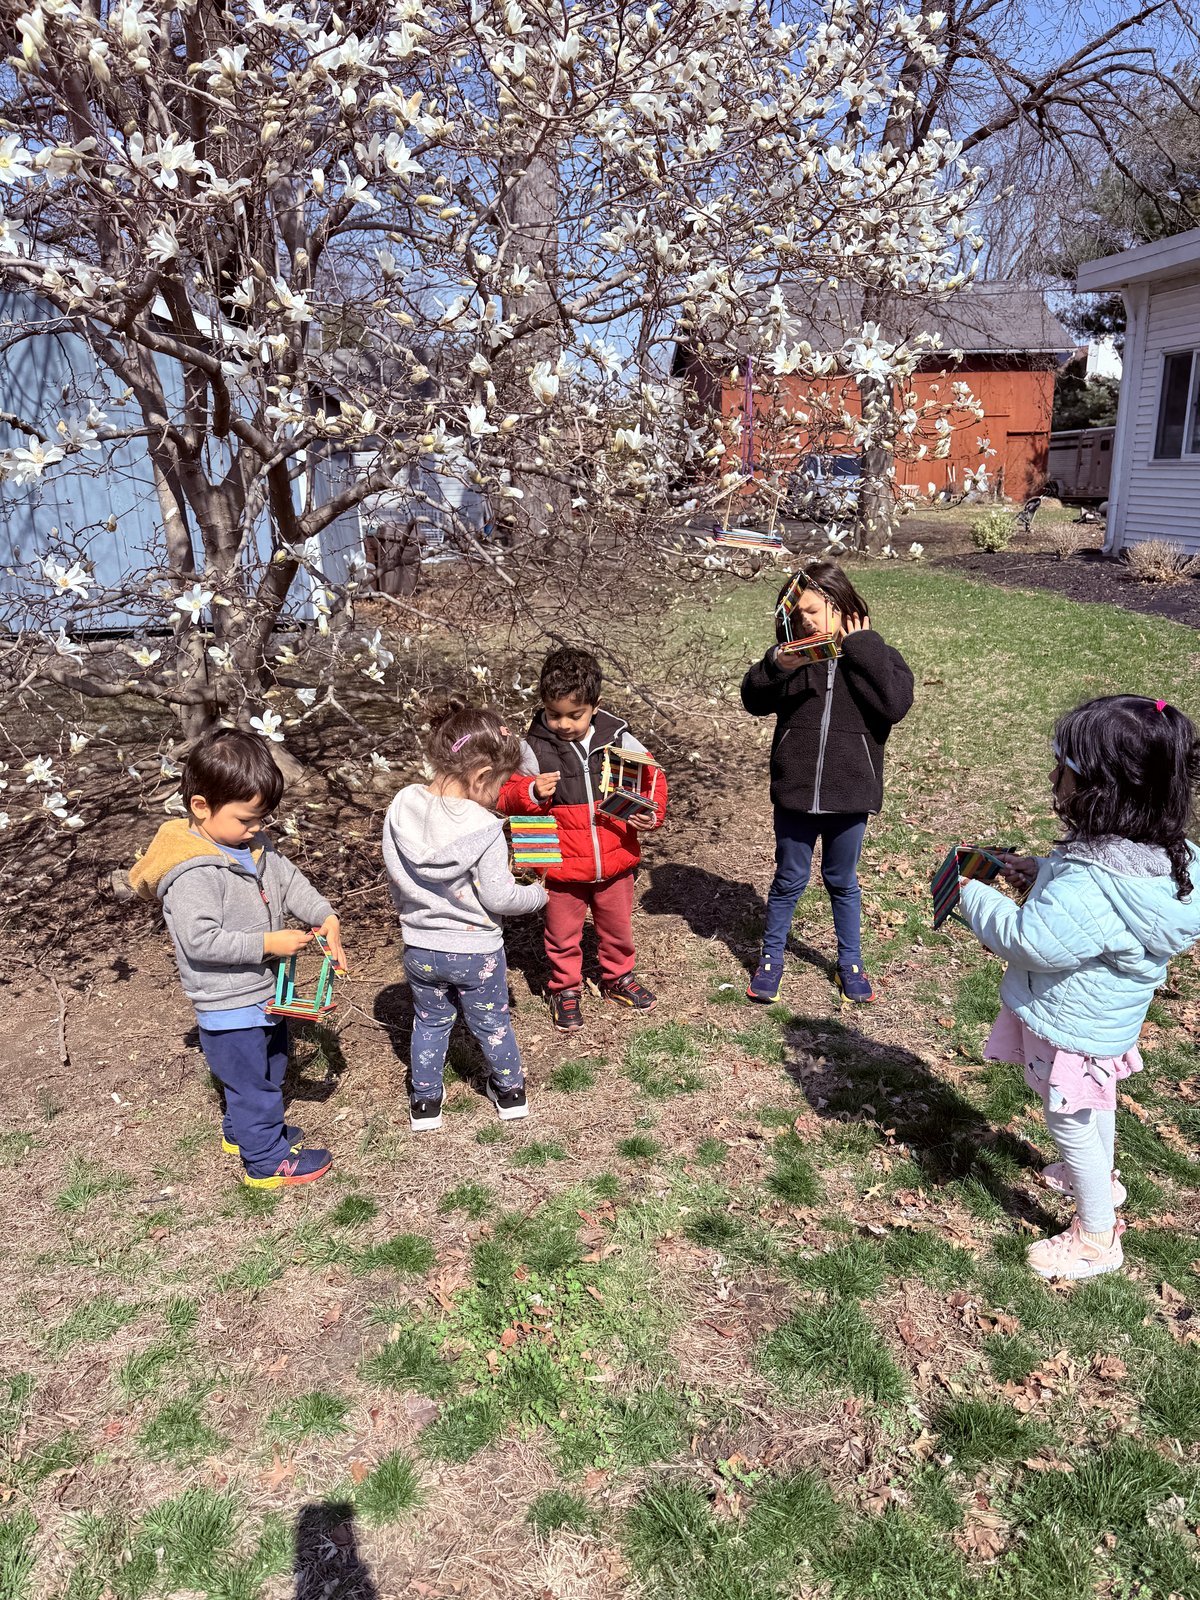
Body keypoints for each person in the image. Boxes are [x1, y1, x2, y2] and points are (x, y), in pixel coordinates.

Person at [959, 694, 1200, 1282]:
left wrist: (970, 894)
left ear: (1103, 789)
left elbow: (1032, 940)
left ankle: (1095, 1237)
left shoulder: (1093, 879)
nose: (1052, 778)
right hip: (1105, 1022)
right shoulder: (1166, 854)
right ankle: (1099, 1179)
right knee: (1094, 1102)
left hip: (1071, 1027)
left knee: (1068, 1118)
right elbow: (1093, 906)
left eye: (1063, 767)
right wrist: (1042, 871)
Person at [130, 729, 346, 1188]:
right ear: (201, 806)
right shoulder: (192, 873)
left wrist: (324, 915)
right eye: (247, 819)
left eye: (261, 819)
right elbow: (200, 941)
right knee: (252, 1083)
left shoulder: (253, 845)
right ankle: (266, 1161)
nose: (256, 828)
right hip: (227, 1003)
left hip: (263, 991)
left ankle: (244, 1132)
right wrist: (267, 944)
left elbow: (290, 882)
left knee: (269, 1065)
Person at [740, 561, 913, 1004]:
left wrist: (863, 647)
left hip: (850, 794)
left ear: (840, 605)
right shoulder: (794, 660)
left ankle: (850, 962)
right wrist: (775, 664)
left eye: (814, 611)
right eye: (799, 615)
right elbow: (753, 699)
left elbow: (894, 704)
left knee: (842, 880)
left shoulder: (877, 658)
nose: (807, 621)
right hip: (795, 793)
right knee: (788, 878)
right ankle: (771, 959)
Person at [382, 702, 546, 1130]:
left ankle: (425, 1103)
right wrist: (537, 895)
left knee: (430, 1021)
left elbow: (395, 872)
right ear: (481, 776)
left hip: (419, 946)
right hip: (476, 952)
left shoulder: (401, 806)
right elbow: (500, 896)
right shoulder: (483, 827)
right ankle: (510, 1093)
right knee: (492, 1023)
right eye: (500, 785)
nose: (498, 795)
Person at [498, 646, 668, 1033]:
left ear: (595, 706)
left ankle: (618, 978)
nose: (563, 724)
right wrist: (531, 792)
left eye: (575, 715)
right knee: (561, 934)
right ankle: (565, 988)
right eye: (553, 714)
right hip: (559, 866)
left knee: (617, 928)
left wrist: (651, 813)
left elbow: (653, 779)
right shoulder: (530, 749)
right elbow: (504, 795)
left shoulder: (619, 738)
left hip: (614, 858)